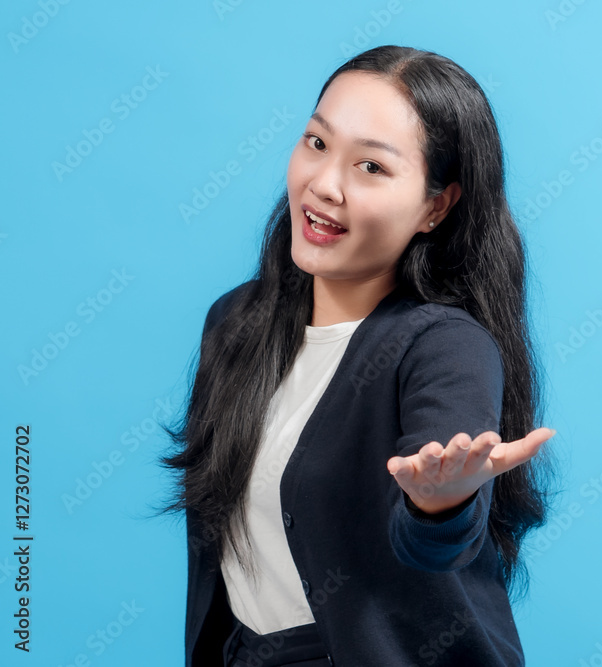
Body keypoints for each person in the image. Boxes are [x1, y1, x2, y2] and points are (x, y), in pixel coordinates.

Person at [156, 45, 555, 666]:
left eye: (371, 167)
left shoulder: (443, 345)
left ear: (435, 206)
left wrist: (438, 502)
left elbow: (434, 540)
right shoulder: (235, 323)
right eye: (317, 143)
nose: (325, 185)